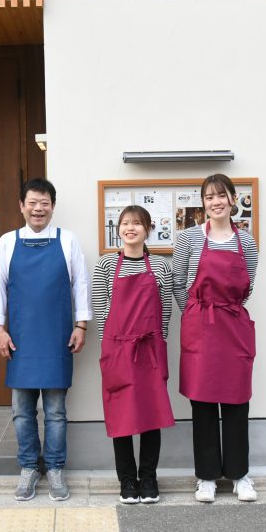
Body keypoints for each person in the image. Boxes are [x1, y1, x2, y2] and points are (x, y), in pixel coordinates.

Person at [0, 178, 91, 501]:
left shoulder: (67, 241)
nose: (38, 208)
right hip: (20, 339)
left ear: (53, 206)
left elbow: (81, 286)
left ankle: (56, 468)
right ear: (21, 206)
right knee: (21, 410)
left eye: (44, 203)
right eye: (32, 202)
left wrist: (81, 325)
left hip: (57, 336)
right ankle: (29, 467)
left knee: (56, 410)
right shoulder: (7, 242)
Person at [172, 173, 259, 503]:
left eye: (221, 195)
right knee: (203, 403)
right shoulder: (189, 239)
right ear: (203, 203)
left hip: (233, 325)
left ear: (233, 200)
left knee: (237, 402)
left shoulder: (246, 242)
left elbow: (247, 285)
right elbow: (179, 280)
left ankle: (239, 475)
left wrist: (226, 310)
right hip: (201, 327)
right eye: (209, 197)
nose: (216, 202)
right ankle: (206, 477)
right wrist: (193, 312)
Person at [92, 205, 174, 504]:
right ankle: (127, 480)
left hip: (150, 349)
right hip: (116, 348)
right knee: (121, 415)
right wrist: (109, 349)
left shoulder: (162, 266)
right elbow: (101, 310)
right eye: (125, 223)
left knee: (152, 414)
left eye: (137, 223)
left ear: (147, 229)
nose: (131, 228)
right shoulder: (105, 266)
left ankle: (149, 478)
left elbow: (165, 310)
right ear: (118, 229)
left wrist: (159, 342)